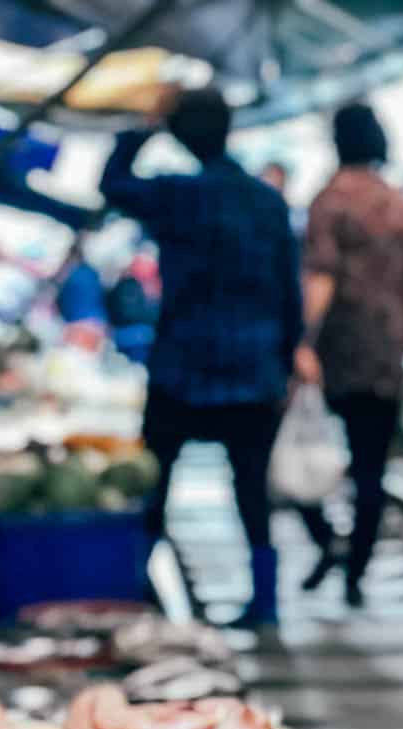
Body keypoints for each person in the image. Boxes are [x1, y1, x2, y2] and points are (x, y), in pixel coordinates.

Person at [100, 87, 303, 626]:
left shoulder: (177, 195)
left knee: (155, 482)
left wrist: (143, 129)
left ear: (180, 135)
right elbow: (290, 292)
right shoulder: (268, 202)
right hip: (253, 369)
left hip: (181, 368)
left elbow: (112, 185)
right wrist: (286, 363)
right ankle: (266, 605)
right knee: (252, 492)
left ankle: (138, 587)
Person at [294, 102, 403, 608]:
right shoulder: (402, 203)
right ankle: (357, 574)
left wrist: (302, 342)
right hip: (388, 350)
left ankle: (327, 539)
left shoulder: (329, 202)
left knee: (300, 450)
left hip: (338, 352)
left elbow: (321, 275)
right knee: (371, 469)